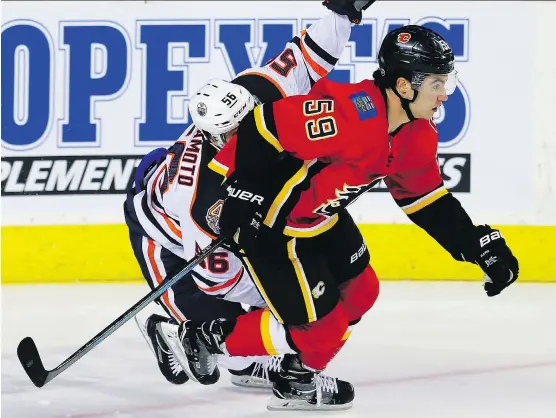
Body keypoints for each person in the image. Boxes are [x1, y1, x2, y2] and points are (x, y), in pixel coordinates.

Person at [175, 24, 520, 411]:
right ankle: (216, 340)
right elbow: (261, 126)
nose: (444, 94)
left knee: (362, 291)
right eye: (437, 84)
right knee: (323, 331)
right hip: (274, 229)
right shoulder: (348, 114)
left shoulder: (416, 133)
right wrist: (243, 194)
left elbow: (424, 198)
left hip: (322, 219)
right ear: (405, 87)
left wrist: (472, 243)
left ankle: (292, 371)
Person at [124, 0, 377, 391]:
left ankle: (245, 358)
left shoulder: (257, 91)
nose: (243, 135)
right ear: (212, 136)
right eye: (230, 134)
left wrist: (343, 12)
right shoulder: (198, 199)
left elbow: (304, 56)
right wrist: (283, 293)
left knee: (286, 298)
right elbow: (217, 278)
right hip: (164, 236)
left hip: (194, 207)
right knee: (232, 337)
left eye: (246, 120)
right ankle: (167, 328)